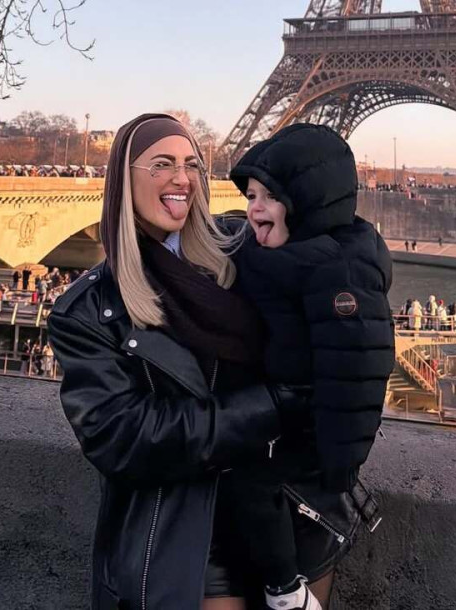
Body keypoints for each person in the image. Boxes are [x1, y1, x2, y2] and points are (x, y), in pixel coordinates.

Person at [48, 114, 376, 610]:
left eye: (191, 165)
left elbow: (340, 247)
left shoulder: (242, 244)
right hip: (192, 537)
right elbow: (124, 437)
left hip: (293, 514)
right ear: (123, 179)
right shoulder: (88, 311)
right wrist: (273, 405)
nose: (181, 178)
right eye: (161, 164)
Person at [228, 124, 393, 609]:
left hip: (313, 439)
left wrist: (339, 466)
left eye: (270, 196)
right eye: (251, 196)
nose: (255, 208)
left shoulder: (338, 271)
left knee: (250, 483)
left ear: (308, 201)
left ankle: (286, 593)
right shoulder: (281, 259)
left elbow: (357, 373)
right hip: (283, 419)